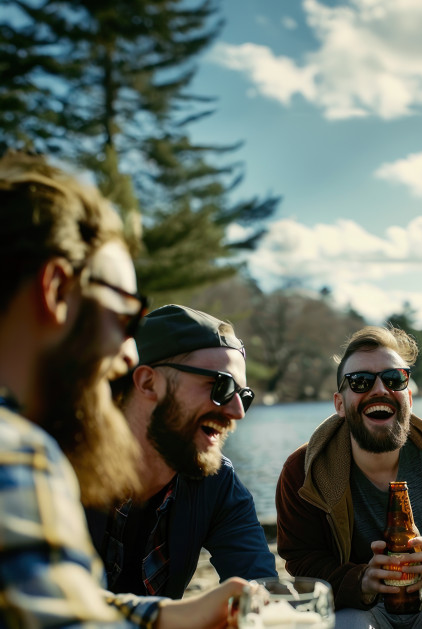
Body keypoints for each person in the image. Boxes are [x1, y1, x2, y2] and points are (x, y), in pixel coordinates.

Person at [0, 152, 247, 627]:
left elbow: (63, 594)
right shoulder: (17, 453)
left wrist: (166, 616)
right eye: (123, 316)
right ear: (54, 291)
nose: (131, 352)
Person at [275, 325, 422, 628]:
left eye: (394, 379)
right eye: (361, 381)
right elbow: (302, 561)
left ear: (409, 397)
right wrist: (362, 579)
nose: (379, 390)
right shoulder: (303, 470)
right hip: (358, 608)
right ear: (340, 404)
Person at [85, 304, 277, 598]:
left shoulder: (217, 483)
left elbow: (261, 589)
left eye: (243, 395)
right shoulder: (56, 465)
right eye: (220, 386)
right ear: (148, 383)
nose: (238, 412)